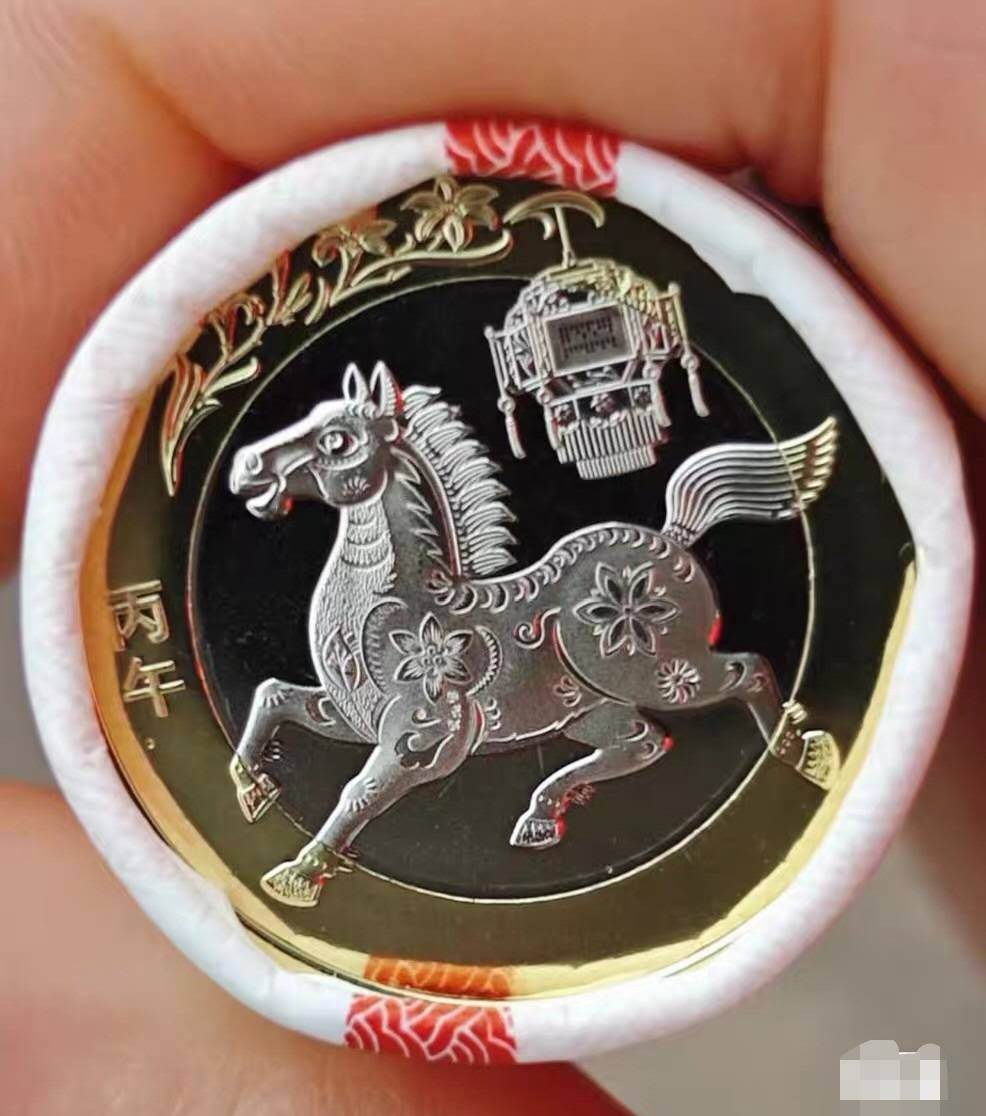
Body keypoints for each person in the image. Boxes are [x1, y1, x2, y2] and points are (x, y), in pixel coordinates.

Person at [1, 1, 982, 1111]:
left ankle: (745, 706)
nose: (295, 461)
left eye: (334, 447)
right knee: (323, 701)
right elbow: (346, 705)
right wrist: (268, 725)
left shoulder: (437, 638)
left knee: (632, 678)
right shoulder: (380, 611)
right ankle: (567, 774)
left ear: (379, 455)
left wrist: (318, 853)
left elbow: (409, 748)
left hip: (621, 610)